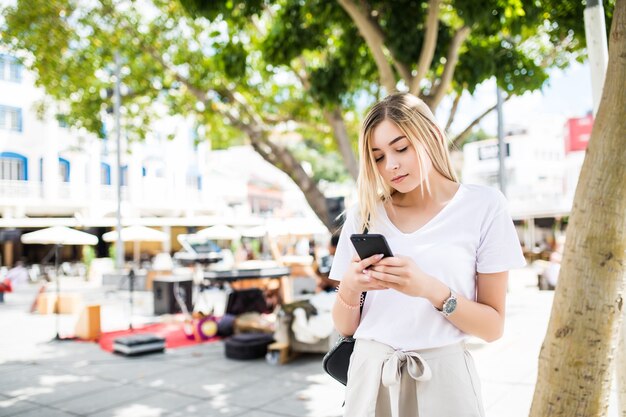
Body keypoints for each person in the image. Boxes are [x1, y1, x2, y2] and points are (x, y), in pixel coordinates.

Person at [329, 92, 525, 416]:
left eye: (401, 148)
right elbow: (345, 327)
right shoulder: (364, 214)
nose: (390, 164)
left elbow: (492, 327)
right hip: (371, 377)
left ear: (432, 135)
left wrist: (430, 290)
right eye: (377, 156)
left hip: (444, 381)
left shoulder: (484, 206)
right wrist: (350, 286)